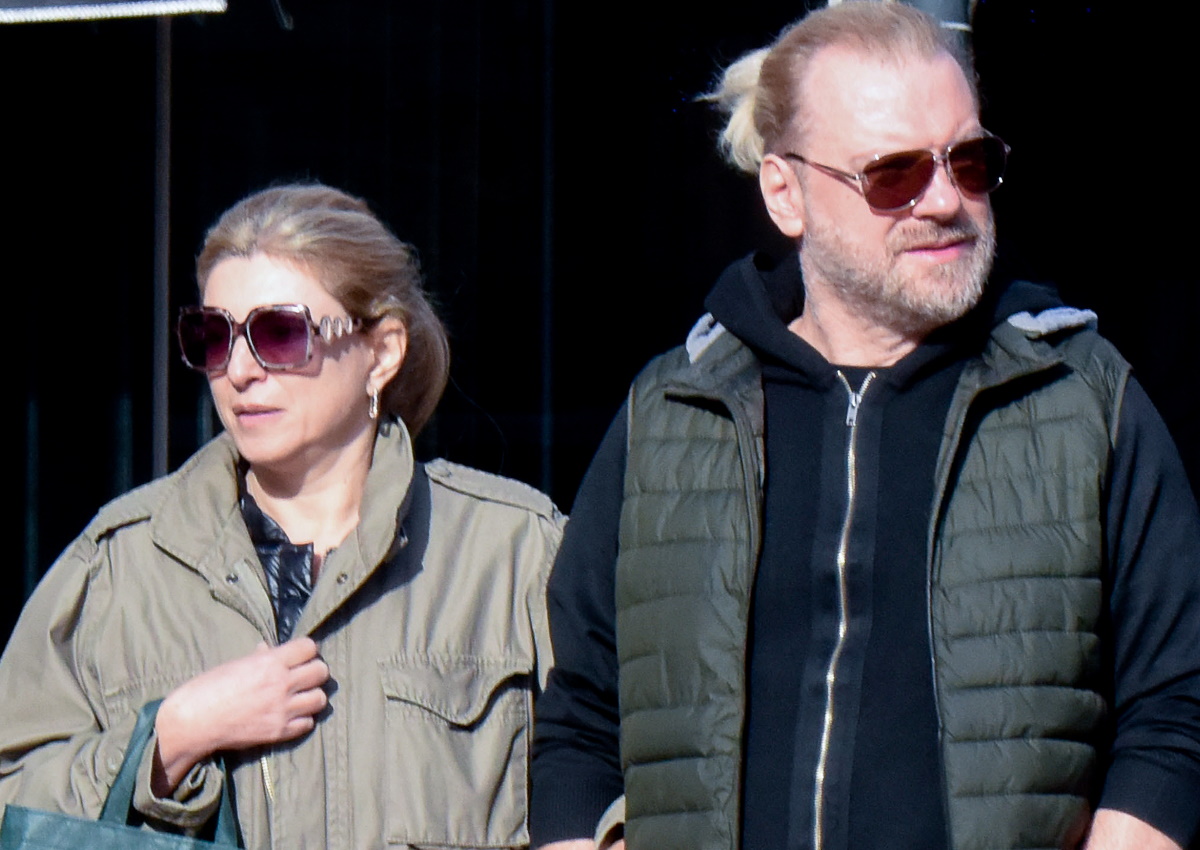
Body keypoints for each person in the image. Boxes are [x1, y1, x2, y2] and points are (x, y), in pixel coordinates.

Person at [530, 4, 1200, 850]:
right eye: (894, 174)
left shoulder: (1083, 401)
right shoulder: (672, 416)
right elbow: (580, 725)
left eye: (969, 162)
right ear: (786, 193)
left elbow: (1176, 710)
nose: (945, 201)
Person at [0, 183, 562, 849]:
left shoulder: (514, 553)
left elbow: (624, 781)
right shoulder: (117, 568)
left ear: (382, 352)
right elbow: (13, 801)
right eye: (212, 337)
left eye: (279, 333)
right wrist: (171, 737)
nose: (239, 370)